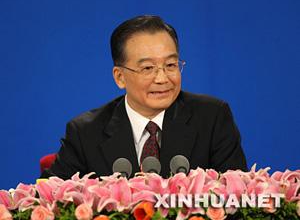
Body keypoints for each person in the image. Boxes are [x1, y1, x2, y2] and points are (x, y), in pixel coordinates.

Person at [41, 15, 247, 179]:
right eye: (148, 68)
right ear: (120, 77)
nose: (162, 78)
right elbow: (51, 201)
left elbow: (238, 197)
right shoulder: (85, 133)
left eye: (170, 65)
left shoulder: (212, 118)